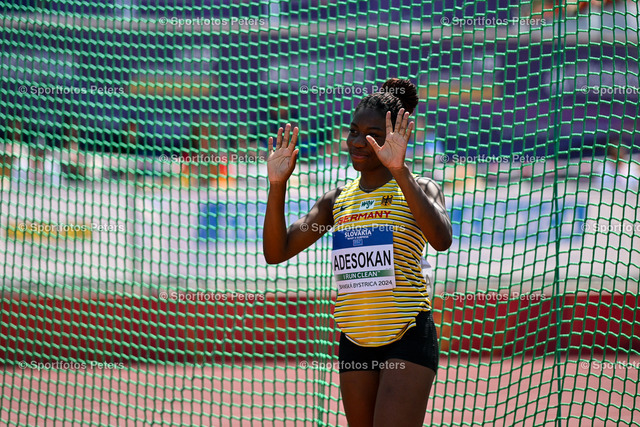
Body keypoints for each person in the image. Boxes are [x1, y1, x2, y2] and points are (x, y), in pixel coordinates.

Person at [263, 78, 452, 427]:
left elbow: (441, 240)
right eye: (354, 131)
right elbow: (277, 251)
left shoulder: (420, 187)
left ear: (395, 137)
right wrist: (277, 185)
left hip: (407, 336)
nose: (358, 142)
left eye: (373, 135)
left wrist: (399, 170)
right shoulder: (337, 200)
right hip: (354, 340)